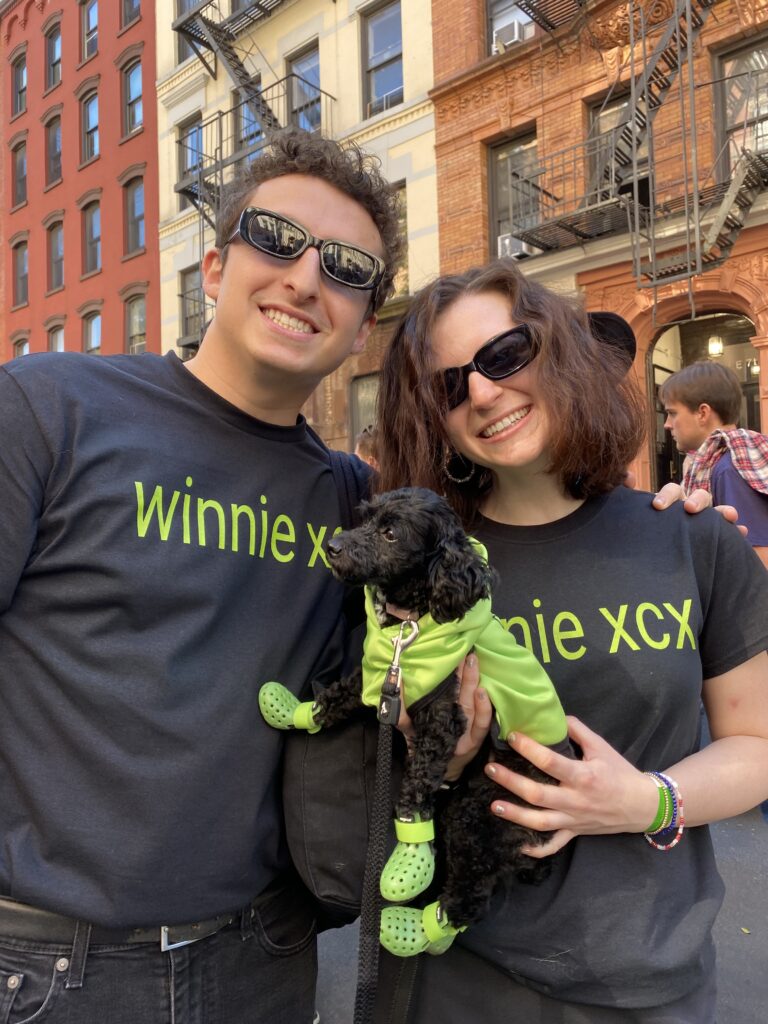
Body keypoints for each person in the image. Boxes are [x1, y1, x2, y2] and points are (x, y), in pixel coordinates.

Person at [0, 128, 403, 1024]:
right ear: (215, 269)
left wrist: (673, 527)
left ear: (363, 325)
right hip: (45, 966)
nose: (305, 278)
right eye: (276, 241)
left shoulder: (355, 503)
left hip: (262, 961)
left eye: (344, 268)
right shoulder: (47, 408)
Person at [371, 259, 768, 1023]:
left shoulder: (687, 538)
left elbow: (754, 744)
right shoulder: (419, 571)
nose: (483, 392)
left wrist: (647, 801)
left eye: (503, 354)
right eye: (451, 385)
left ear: (560, 352)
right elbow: (374, 768)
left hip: (648, 984)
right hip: (458, 976)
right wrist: (441, 761)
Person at [660, 360, 768, 568]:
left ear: (702, 413)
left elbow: (757, 563)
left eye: (673, 413)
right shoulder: (743, 457)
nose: (667, 424)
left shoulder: (729, 468)